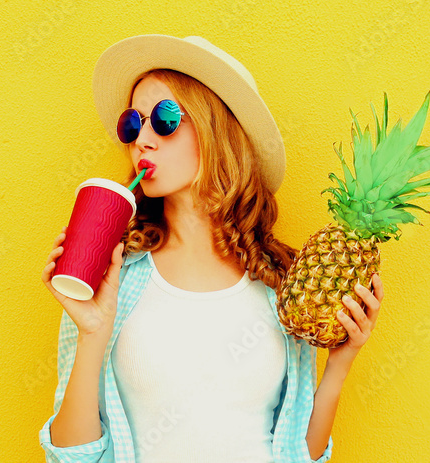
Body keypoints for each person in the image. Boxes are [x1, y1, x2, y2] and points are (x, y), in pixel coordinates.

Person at [39, 35, 384, 462]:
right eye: (132, 123)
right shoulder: (109, 275)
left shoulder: (281, 280)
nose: (141, 139)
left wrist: (340, 362)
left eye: (164, 119)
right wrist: (93, 331)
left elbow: (298, 453)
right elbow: (73, 456)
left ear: (215, 129)